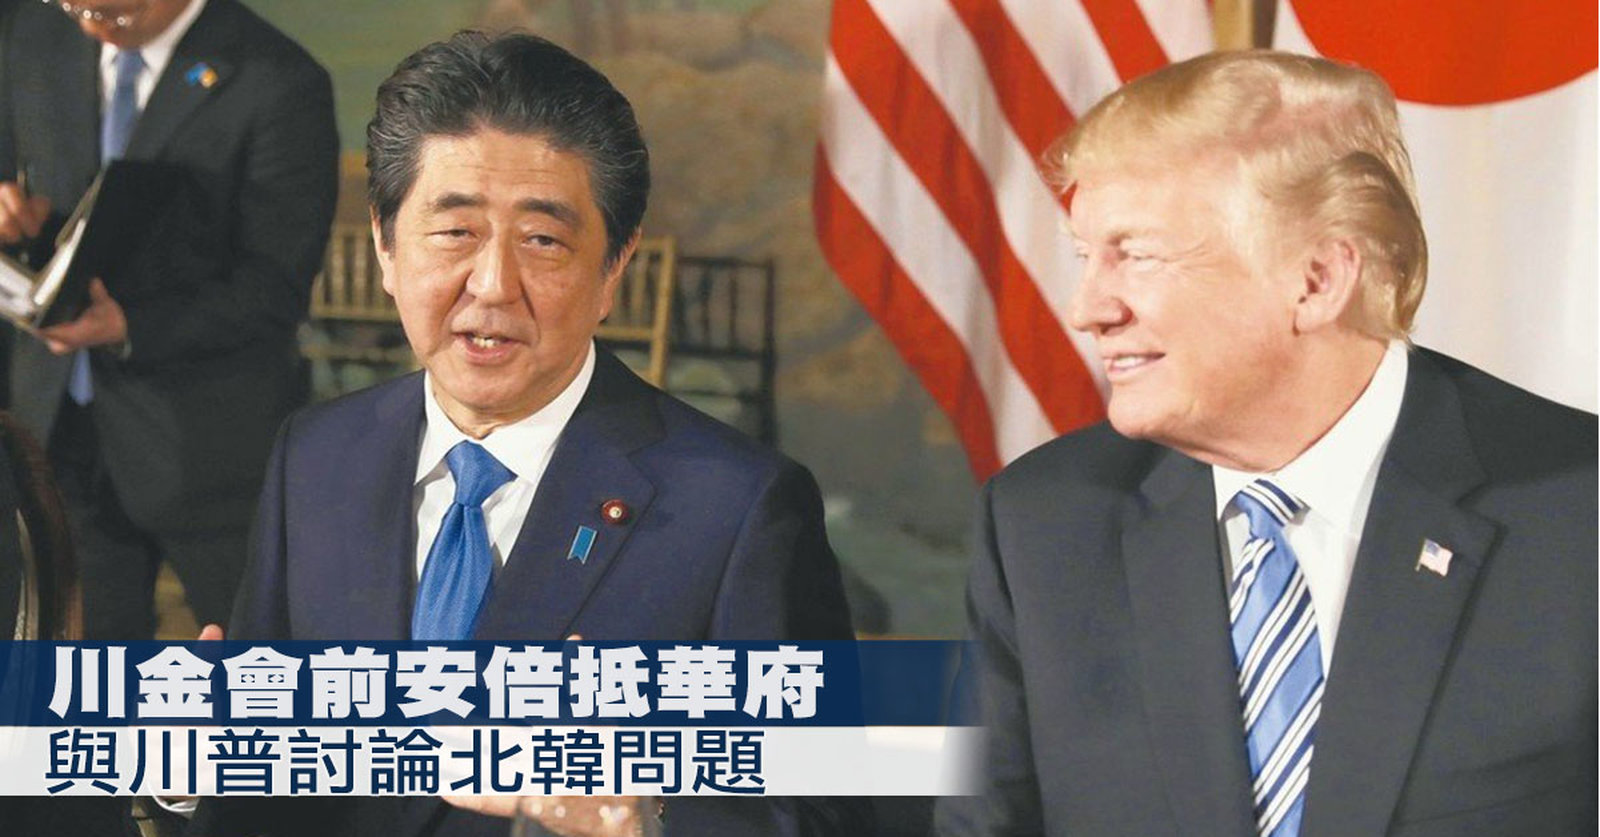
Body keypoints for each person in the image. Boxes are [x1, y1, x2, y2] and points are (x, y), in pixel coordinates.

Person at [191, 30, 861, 837]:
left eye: (543, 240)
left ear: (614, 268)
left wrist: (640, 814)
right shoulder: (315, 456)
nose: (493, 284)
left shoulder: (736, 508)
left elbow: (817, 812)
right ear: (385, 247)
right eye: (455, 231)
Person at [935, 50, 1596, 837]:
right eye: (1086, 257)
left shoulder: (1576, 511)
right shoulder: (1044, 523)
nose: (1087, 309)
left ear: (1317, 280)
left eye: (1137, 255)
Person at [0, 0, 338, 639]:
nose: (90, 25)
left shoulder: (278, 81)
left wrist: (129, 326)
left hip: (210, 447)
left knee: (254, 667)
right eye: (74, 7)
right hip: (59, 434)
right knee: (87, 674)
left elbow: (274, 287)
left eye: (112, 13)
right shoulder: (34, 34)